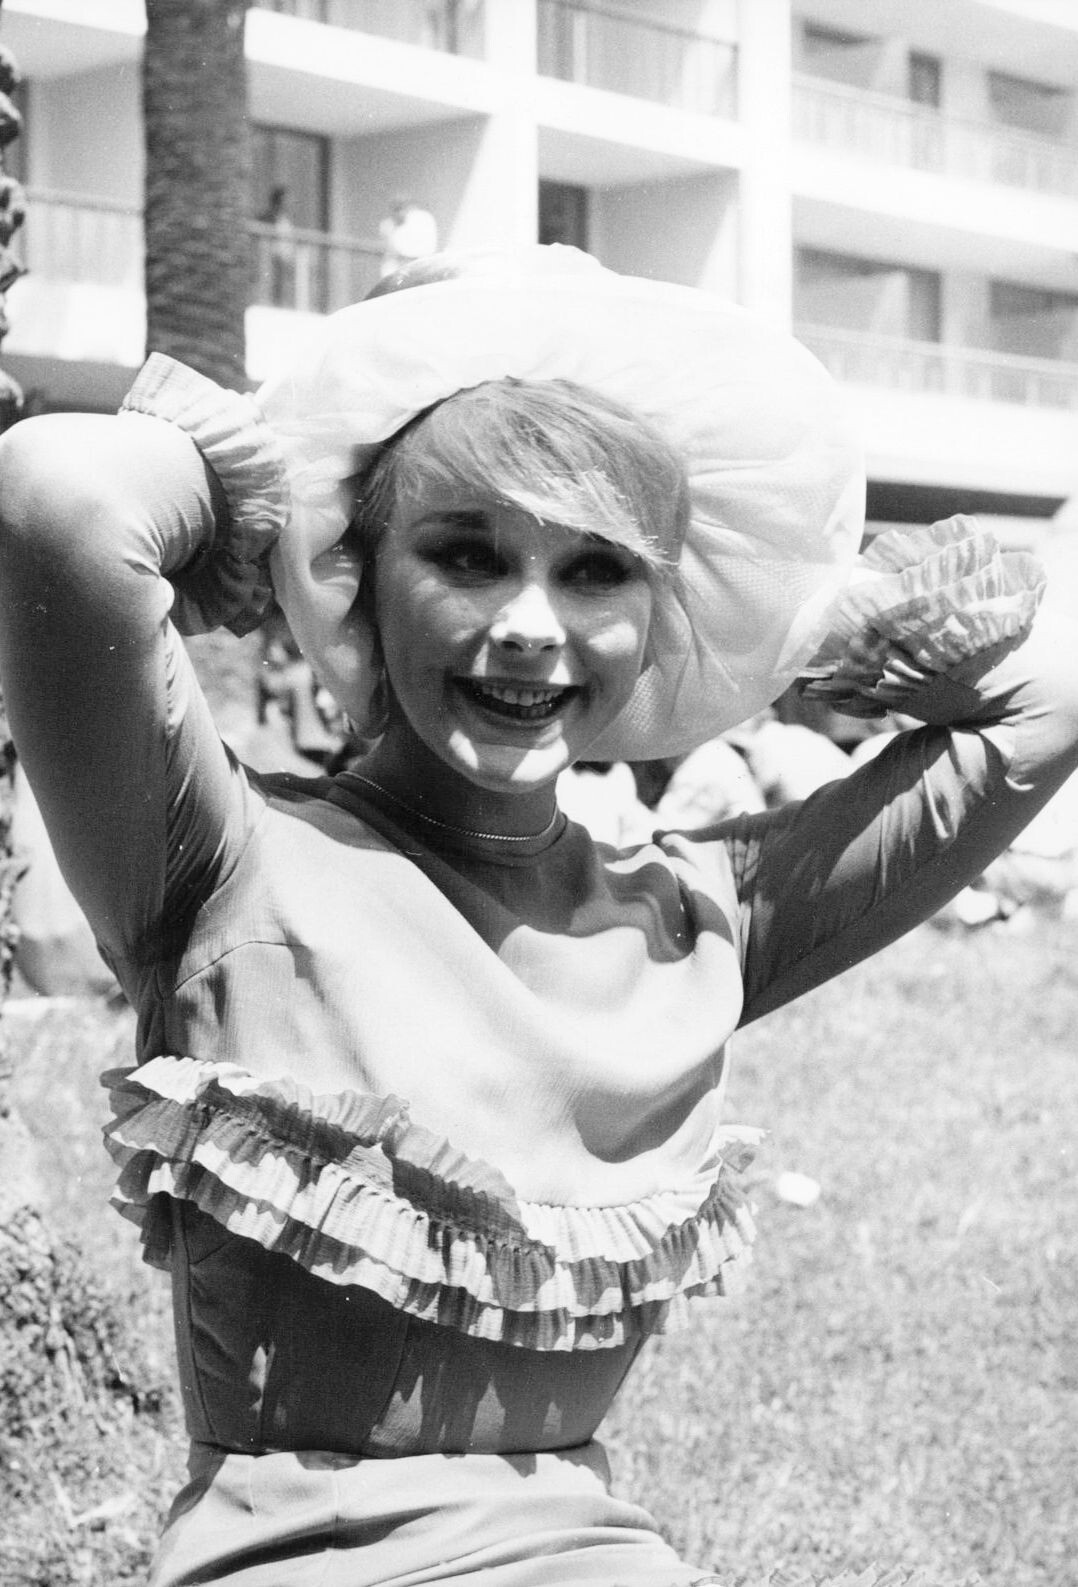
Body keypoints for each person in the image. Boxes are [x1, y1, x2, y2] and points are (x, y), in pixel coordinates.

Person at [0, 246, 1074, 1587]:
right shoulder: (225, 861)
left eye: (598, 572)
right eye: (466, 554)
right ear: (361, 573)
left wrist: (787, 623)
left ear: (656, 615)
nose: (528, 625)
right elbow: (55, 495)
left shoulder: (702, 919)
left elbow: (1050, 696)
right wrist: (263, 490)